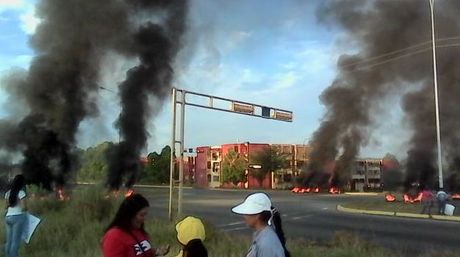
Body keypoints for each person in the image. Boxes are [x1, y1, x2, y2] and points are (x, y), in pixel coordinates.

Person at [102, 194, 170, 257]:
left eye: (145, 214)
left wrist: (156, 252)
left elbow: (141, 252)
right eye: (142, 215)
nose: (145, 218)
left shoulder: (138, 231)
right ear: (130, 214)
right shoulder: (114, 236)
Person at [231, 192, 291, 257]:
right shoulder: (262, 235)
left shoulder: (266, 243)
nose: (244, 216)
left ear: (258, 216)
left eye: (247, 213)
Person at [4, 174, 27, 257]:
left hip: (8, 217)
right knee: (15, 242)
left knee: (9, 241)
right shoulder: (21, 193)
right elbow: (24, 207)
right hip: (18, 217)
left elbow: (6, 207)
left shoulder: (8, 193)